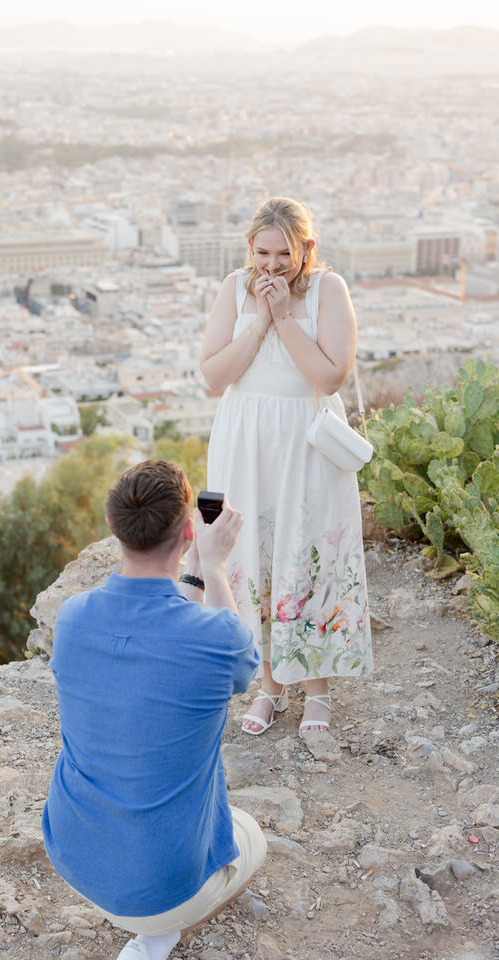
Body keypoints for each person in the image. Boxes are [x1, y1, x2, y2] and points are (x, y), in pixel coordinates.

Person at [42, 460, 266, 960]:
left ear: (115, 530)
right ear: (189, 531)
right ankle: (160, 932)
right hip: (161, 887)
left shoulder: (73, 618)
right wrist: (215, 567)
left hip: (73, 855)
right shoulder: (216, 638)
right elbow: (243, 664)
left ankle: (152, 923)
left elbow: (155, 628)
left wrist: (192, 572)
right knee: (253, 838)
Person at [201, 197, 373, 738]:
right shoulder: (233, 288)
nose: (271, 266)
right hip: (244, 440)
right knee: (259, 556)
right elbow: (212, 377)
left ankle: (317, 689)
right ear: (249, 249)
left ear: (307, 250)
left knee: (310, 551)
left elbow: (329, 376)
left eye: (284, 254)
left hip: (305, 441)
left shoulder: (329, 290)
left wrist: (281, 316)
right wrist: (257, 325)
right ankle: (270, 684)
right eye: (262, 253)